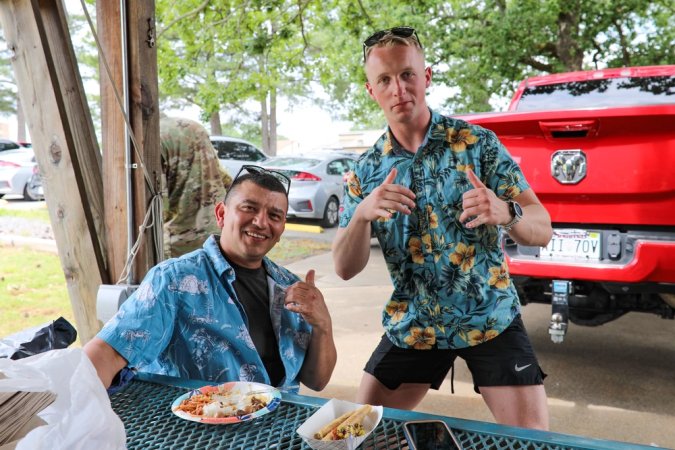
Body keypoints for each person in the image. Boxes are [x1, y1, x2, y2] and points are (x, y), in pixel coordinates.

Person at [332, 26, 553, 430]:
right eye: (384, 79)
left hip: (489, 316)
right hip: (414, 325)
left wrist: (506, 211)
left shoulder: (478, 144)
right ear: (371, 91)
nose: (398, 88)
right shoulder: (364, 171)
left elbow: (543, 227)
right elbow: (345, 268)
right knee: (359, 434)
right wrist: (362, 213)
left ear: (427, 77)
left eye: (407, 74)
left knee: (532, 440)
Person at [85, 166, 337, 392]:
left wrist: (322, 325)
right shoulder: (174, 281)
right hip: (199, 432)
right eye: (249, 208)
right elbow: (109, 352)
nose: (261, 222)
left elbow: (317, 381)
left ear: (282, 228)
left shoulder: (289, 286)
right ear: (221, 214)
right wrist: (69, 401)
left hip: (278, 430)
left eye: (274, 215)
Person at [160, 116, 233, 259]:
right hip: (218, 233)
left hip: (181, 245)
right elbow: (224, 177)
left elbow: (157, 208)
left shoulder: (150, 138)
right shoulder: (195, 127)